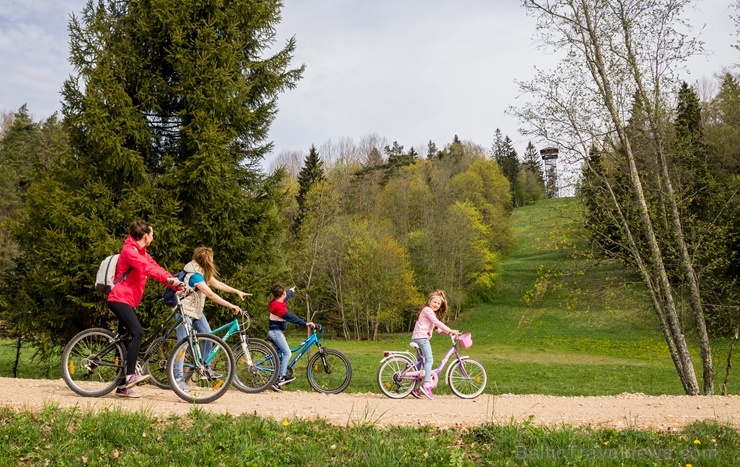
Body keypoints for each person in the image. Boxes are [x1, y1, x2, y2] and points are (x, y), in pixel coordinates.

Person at [107, 220, 183, 398]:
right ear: (145, 235)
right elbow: (147, 268)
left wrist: (176, 285)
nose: (153, 237)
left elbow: (155, 267)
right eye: (152, 234)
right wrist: (171, 282)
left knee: (126, 342)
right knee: (138, 333)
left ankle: (122, 387)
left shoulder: (141, 252)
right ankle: (131, 374)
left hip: (126, 301)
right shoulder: (129, 251)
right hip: (118, 299)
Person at [173, 246, 251, 392]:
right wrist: (230, 305)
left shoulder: (201, 272)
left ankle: (204, 367)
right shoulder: (195, 275)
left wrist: (236, 291)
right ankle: (178, 379)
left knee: (209, 337)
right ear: (207, 260)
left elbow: (217, 284)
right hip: (185, 312)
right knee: (182, 345)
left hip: (196, 312)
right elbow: (211, 294)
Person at [410, 290, 460, 400]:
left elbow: (436, 328)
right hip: (422, 338)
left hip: (418, 337)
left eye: (438, 304)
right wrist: (450, 330)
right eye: (434, 302)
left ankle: (414, 387)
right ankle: (427, 385)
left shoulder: (429, 313)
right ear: (429, 301)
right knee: (429, 360)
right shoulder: (427, 310)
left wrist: (448, 332)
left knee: (420, 363)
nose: (436, 305)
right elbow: (437, 322)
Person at [267, 282, 315, 392]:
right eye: (285, 293)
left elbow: (285, 297)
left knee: (278, 356)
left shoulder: (275, 301)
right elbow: (291, 317)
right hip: (276, 332)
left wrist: (291, 291)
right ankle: (281, 377)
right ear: (282, 293)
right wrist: (305, 323)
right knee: (287, 353)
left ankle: (275, 382)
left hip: (275, 331)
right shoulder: (279, 307)